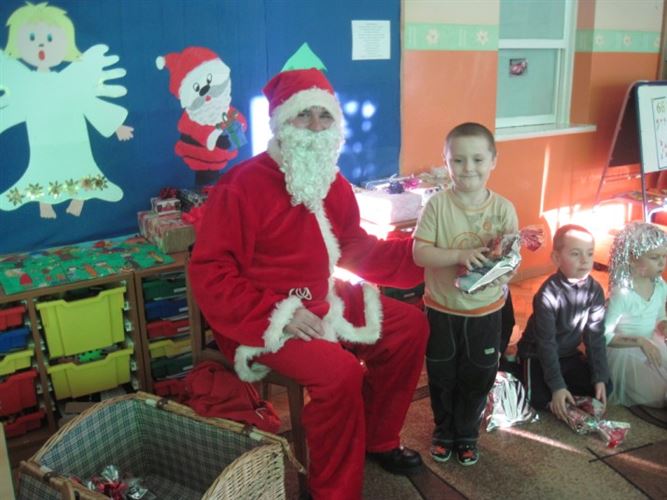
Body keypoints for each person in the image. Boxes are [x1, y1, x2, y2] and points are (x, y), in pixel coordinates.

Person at [188, 64, 429, 500]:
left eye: (325, 116)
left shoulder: (332, 182)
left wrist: (429, 257)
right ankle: (332, 491)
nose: (316, 127)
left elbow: (355, 247)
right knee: (339, 374)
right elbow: (211, 272)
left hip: (322, 301)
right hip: (260, 317)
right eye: (304, 115)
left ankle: (379, 437)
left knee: (410, 326)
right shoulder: (240, 186)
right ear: (281, 121)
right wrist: (278, 313)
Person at [413, 122, 518, 466]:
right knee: (442, 374)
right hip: (442, 309)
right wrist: (459, 255)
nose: (468, 168)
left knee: (479, 374)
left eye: (477, 159)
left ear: (494, 161)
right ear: (446, 161)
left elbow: (511, 260)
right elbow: (419, 253)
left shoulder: (503, 209)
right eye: (458, 160)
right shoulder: (437, 206)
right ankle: (444, 431)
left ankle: (467, 433)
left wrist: (504, 270)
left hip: (485, 312)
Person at [0, 2, 133, 219]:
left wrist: (116, 126)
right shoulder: (25, 84)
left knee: (81, 168)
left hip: (75, 140)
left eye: (49, 38)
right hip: (43, 142)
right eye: (32, 38)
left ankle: (78, 200)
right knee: (43, 169)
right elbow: (12, 109)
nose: (41, 45)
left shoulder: (71, 79)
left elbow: (90, 104)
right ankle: (44, 205)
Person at [517, 224, 611, 422]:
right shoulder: (548, 294)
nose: (585, 260)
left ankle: (562, 390)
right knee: (537, 397)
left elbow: (595, 336)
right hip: (536, 354)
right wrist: (557, 386)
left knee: (605, 386)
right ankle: (519, 369)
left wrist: (599, 377)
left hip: (568, 354)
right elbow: (546, 344)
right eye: (576, 254)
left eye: (590, 253)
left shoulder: (595, 290)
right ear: (556, 258)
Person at [604, 221, 667, 408]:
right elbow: (605, 336)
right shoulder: (623, 294)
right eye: (654, 257)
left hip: (651, 342)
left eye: (664, 256)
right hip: (625, 350)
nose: (662, 263)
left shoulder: (661, 285)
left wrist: (664, 326)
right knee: (657, 393)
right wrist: (640, 341)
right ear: (632, 258)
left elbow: (660, 315)